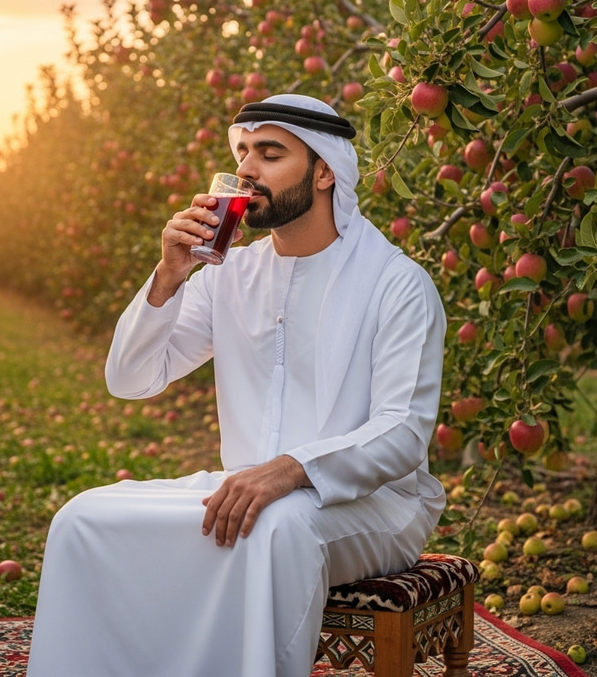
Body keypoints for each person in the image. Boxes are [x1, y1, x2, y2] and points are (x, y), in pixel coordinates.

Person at [25, 93, 446, 677]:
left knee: (275, 528)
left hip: (374, 505)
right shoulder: (229, 275)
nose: (246, 169)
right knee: (83, 519)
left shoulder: (396, 282)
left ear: (324, 172)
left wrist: (290, 470)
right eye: (242, 152)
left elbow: (402, 434)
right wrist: (169, 276)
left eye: (269, 154)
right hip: (245, 490)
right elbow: (130, 378)